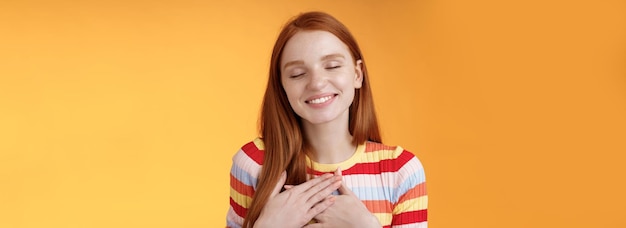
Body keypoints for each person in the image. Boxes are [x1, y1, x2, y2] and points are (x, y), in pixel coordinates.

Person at [226, 11, 427, 228]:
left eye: (332, 66)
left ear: (357, 75)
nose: (317, 83)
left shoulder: (400, 170)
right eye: (297, 74)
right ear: (282, 86)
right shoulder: (254, 163)